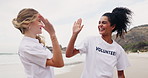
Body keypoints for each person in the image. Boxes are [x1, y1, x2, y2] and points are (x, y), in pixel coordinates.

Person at [66, 7, 132, 78]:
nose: (100, 25)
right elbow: (69, 54)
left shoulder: (118, 50)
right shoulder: (90, 41)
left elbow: (121, 74)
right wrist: (74, 34)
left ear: (112, 26)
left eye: (104, 23)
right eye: (99, 22)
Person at [12, 8, 64, 78]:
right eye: (39, 21)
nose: (42, 24)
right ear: (27, 23)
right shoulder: (27, 47)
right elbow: (59, 63)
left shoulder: (35, 43)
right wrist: (52, 34)